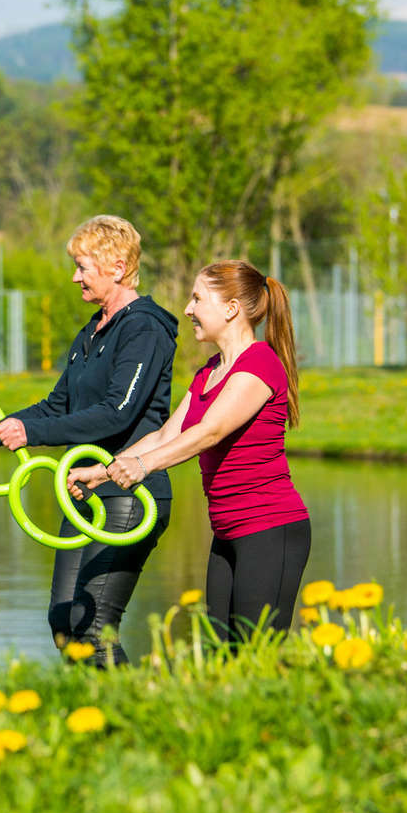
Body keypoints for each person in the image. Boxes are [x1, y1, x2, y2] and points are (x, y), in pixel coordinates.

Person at [0, 216, 176, 667]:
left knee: (93, 630)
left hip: (130, 492)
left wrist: (30, 434)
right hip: (83, 493)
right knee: (64, 626)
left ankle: (137, 714)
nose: (75, 277)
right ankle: (93, 720)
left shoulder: (145, 328)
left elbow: (118, 413)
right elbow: (58, 407)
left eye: (83, 267)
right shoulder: (91, 332)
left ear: (116, 266)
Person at [67, 260, 310, 643]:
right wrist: (103, 471)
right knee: (218, 658)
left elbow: (208, 433)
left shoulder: (259, 364)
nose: (188, 309)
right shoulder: (210, 371)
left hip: (269, 529)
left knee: (258, 658)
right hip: (227, 532)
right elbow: (167, 434)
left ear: (231, 309)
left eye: (197, 299)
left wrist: (143, 467)